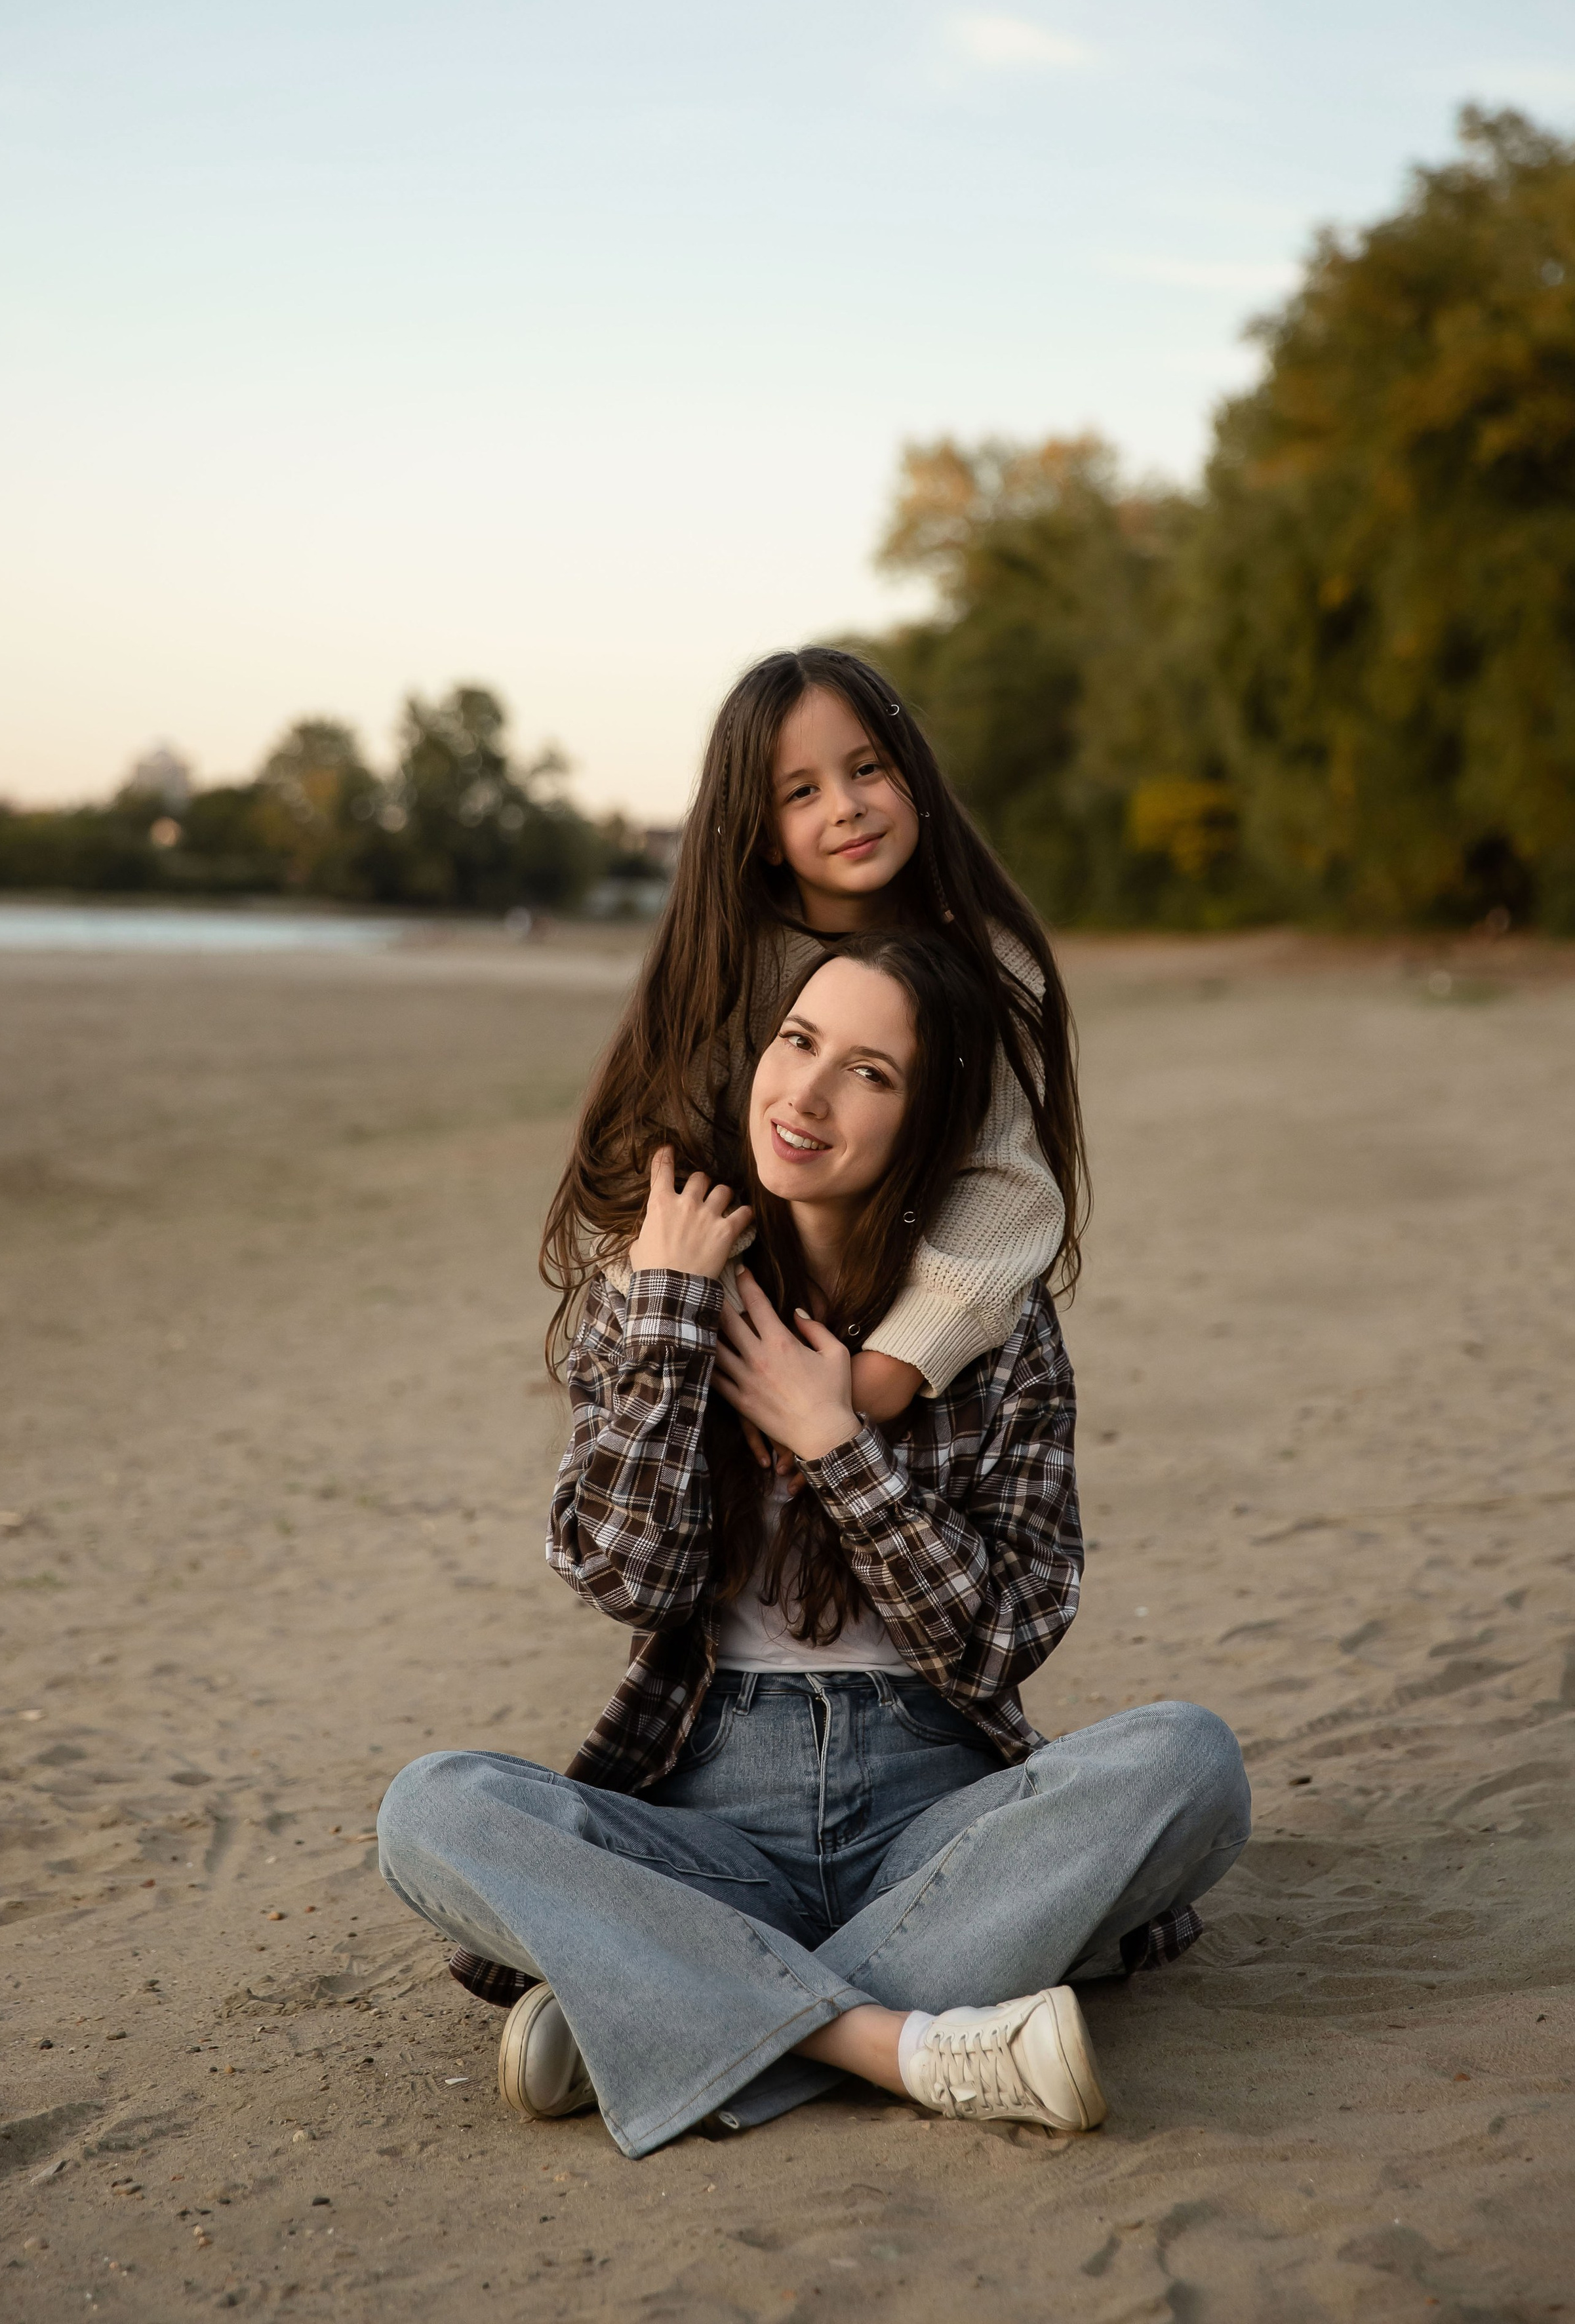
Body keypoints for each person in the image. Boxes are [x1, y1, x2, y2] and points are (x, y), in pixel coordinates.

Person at [376, 935, 1250, 2161]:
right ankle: (888, 2041)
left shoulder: (992, 1329)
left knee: (1192, 1765)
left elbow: (1001, 1638)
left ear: (927, 1126)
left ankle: (669, 2008)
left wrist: (837, 1442)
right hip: (708, 1821)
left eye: (871, 1073)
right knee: (434, 1810)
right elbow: (626, 1576)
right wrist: (674, 1324)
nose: (808, 1094)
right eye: (798, 1043)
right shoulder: (664, 1283)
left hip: (937, 1817)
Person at [542, 645, 1085, 1433]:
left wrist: (880, 1376)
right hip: (725, 1338)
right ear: (764, 833)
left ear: (915, 773)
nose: (846, 806)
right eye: (802, 791)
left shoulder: (989, 961)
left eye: (867, 769)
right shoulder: (727, 964)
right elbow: (654, 1162)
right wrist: (750, 1354)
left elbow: (1008, 1182)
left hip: (907, 1357)